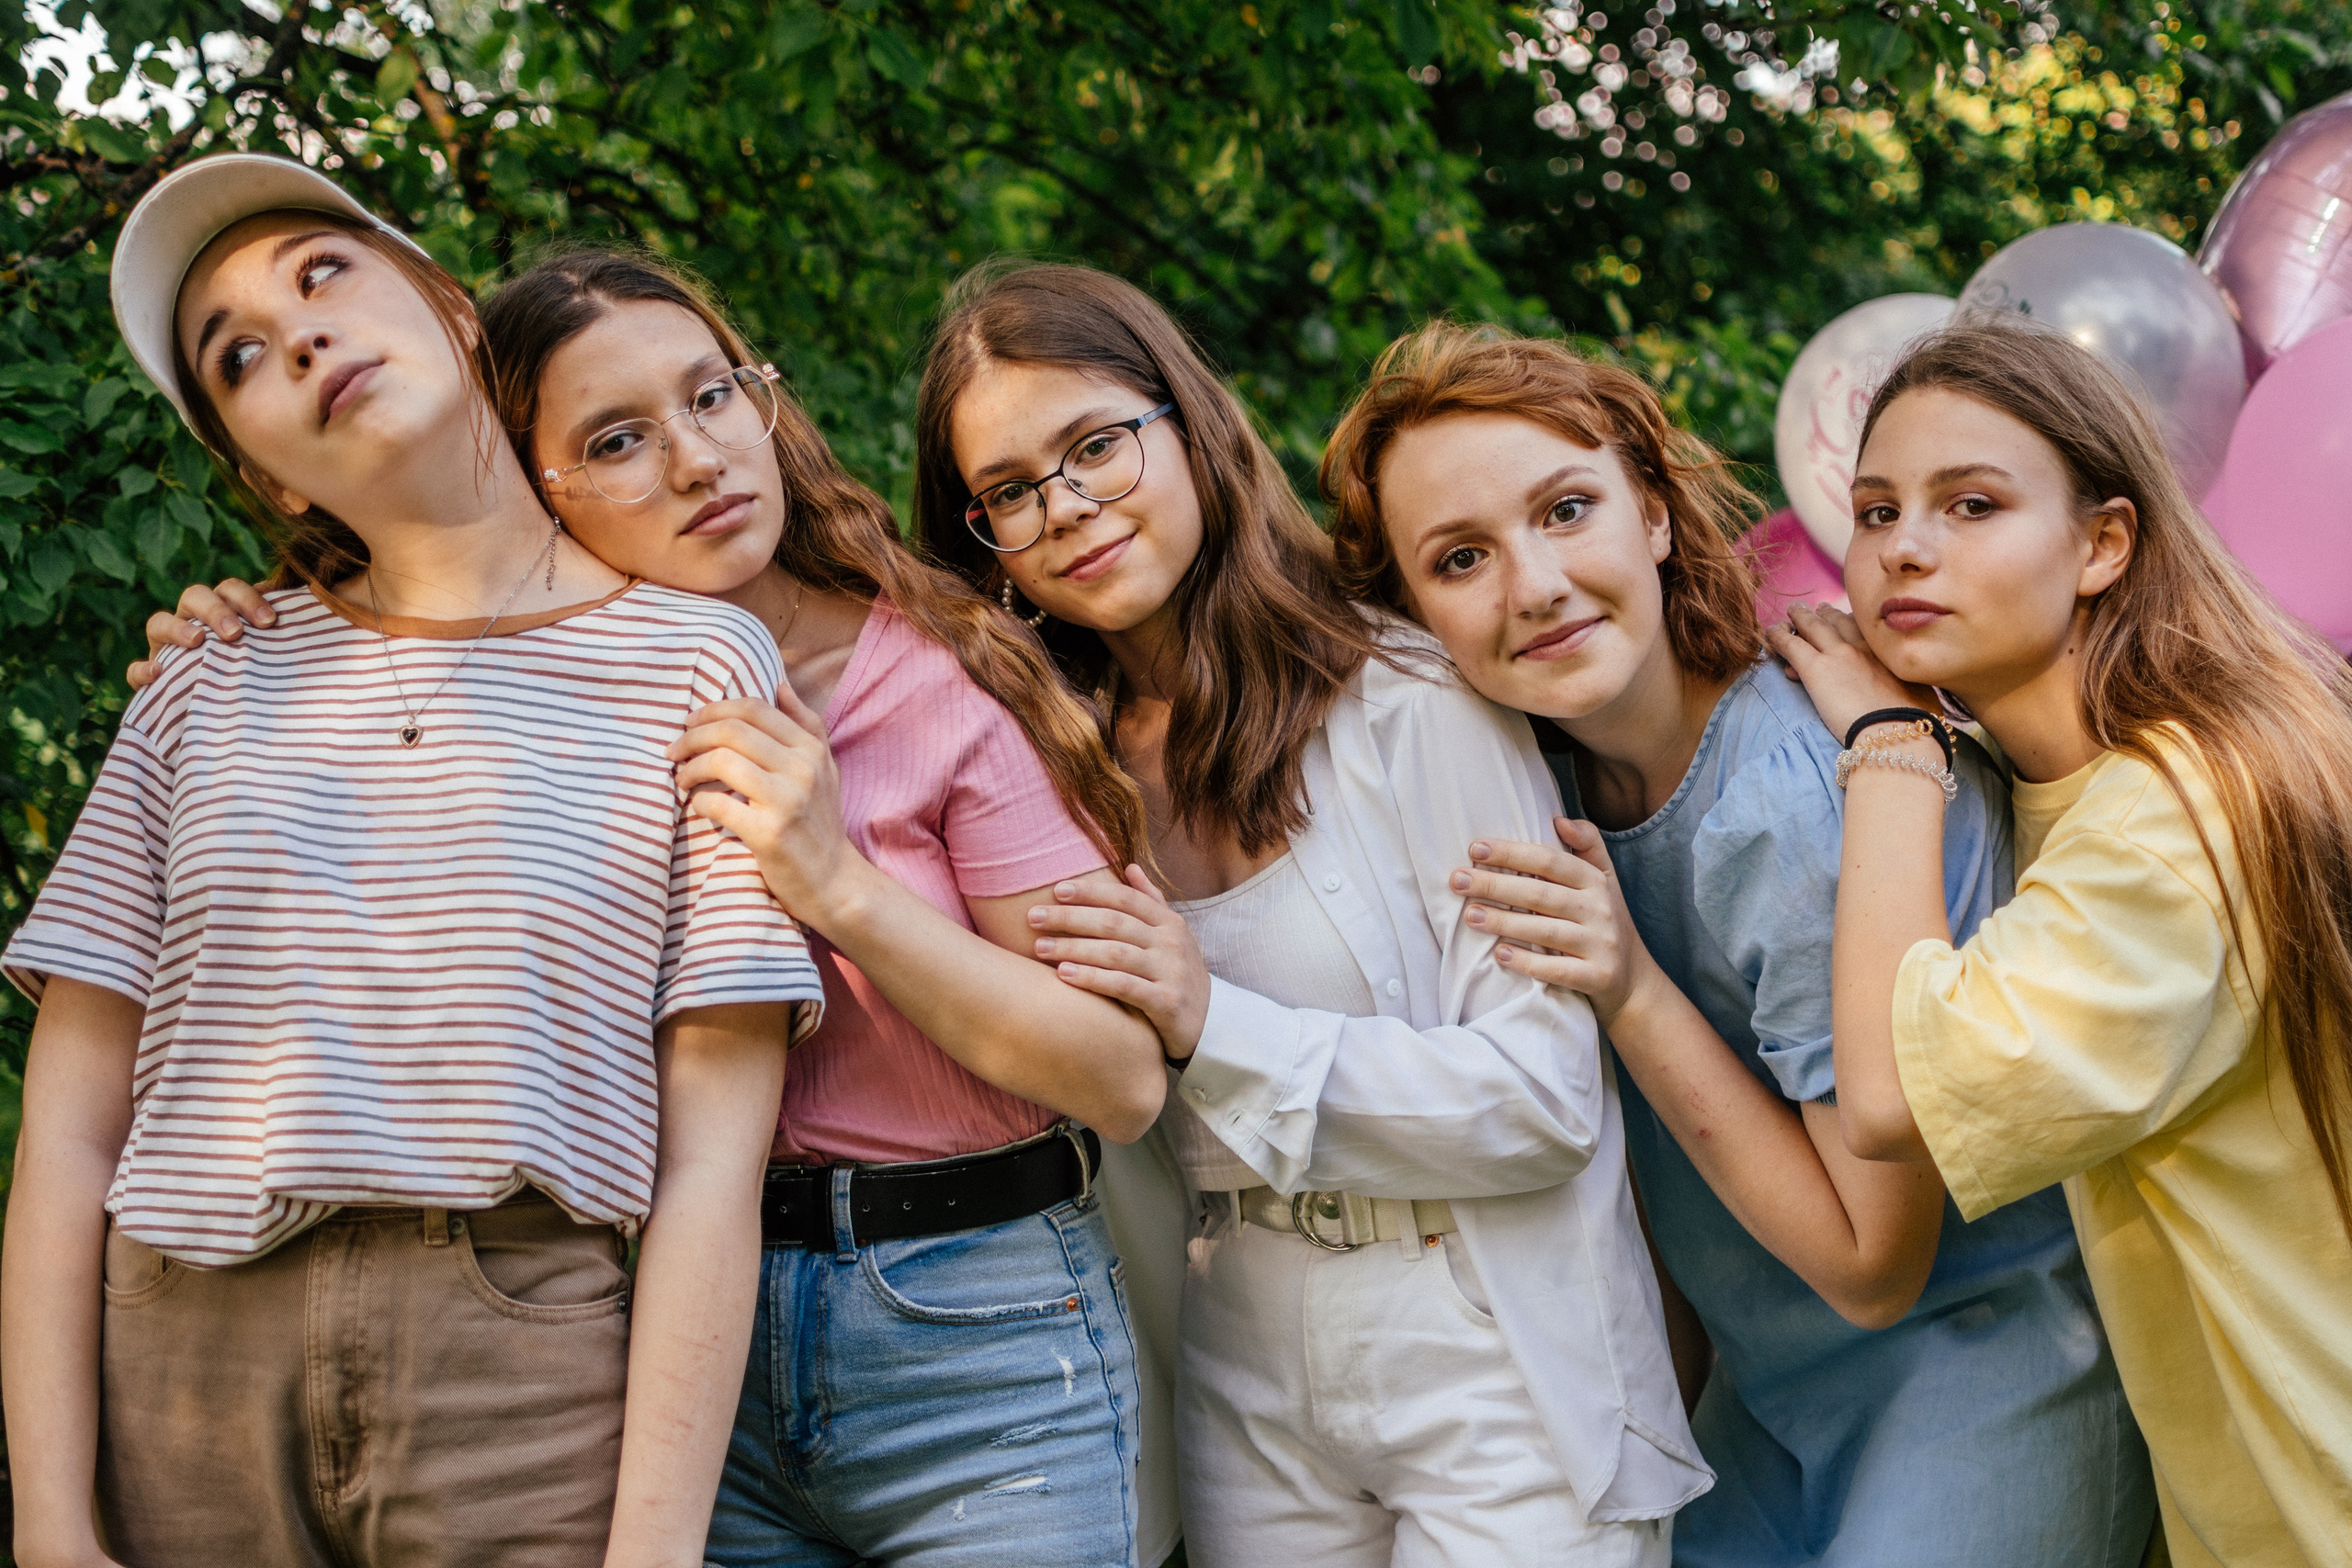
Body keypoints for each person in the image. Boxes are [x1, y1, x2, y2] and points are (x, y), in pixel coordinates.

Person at [132, 243, 1173, 1567]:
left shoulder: (938, 671)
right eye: (618, 439)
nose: (695, 460)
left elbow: (1121, 1078)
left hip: (972, 1314)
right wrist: (246, 634)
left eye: (712, 396)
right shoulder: (507, 715)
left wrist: (836, 882)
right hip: (678, 1348)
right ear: (525, 472)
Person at [3, 155, 826, 1568]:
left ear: (449, 308)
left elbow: (710, 1165)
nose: (300, 336)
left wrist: (655, 1549)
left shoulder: (695, 657)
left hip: (513, 1359)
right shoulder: (205, 680)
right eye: (241, 356)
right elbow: (68, 1135)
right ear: (262, 463)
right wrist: (49, 1523)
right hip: (181, 1363)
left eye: (324, 275)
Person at [909, 262, 1708, 1567]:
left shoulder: (1408, 697)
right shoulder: (1043, 780)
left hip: (1488, 1339)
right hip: (1238, 1350)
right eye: (1007, 491)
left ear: (1194, 424)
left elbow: (1546, 1098)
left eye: (1097, 445)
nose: (1064, 507)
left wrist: (1210, 1021)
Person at [1317, 321, 2154, 1566]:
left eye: (1567, 510)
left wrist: (1630, 987)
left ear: (1653, 513)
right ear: (1413, 616)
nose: (1533, 585)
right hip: (1768, 1406)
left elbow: (1875, 1262)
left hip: (1978, 1378)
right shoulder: (1540, 792)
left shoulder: (1786, 801)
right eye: (1459, 558)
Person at [1766, 315, 2352, 1568]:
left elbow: (1884, 1096)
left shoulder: (2167, 818)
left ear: (2103, 543)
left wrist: (1890, 743)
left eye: (1971, 505)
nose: (1905, 547)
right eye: (1875, 512)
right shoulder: (2063, 789)